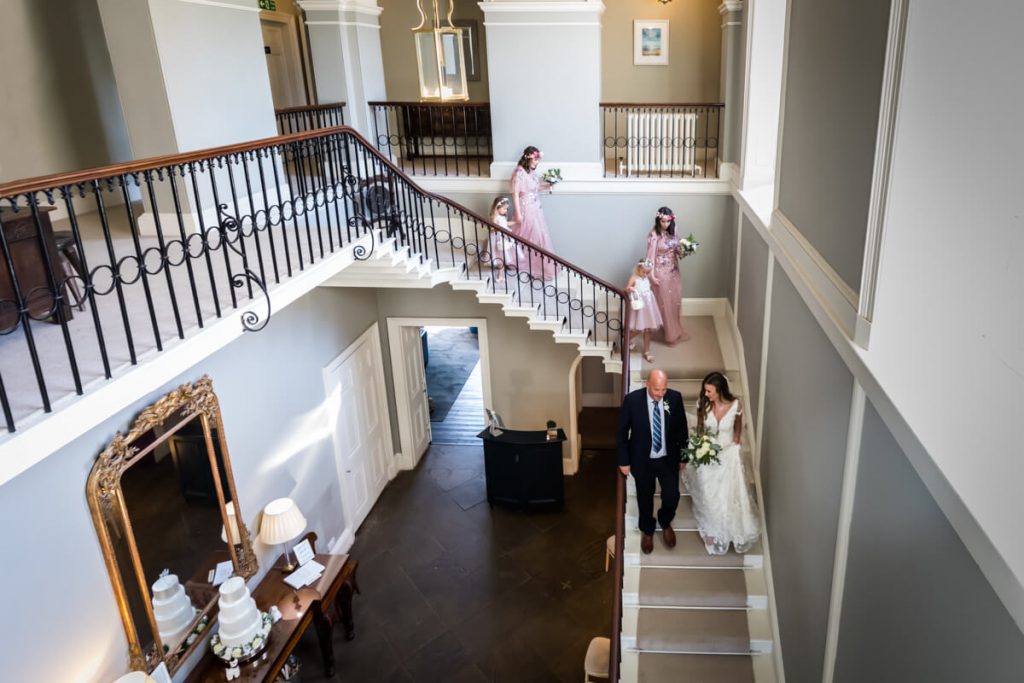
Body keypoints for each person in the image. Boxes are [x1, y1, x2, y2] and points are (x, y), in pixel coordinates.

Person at [683, 372, 761, 555]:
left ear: (719, 390)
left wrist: (736, 443)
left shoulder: (736, 404)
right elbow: (701, 430)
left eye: (709, 391)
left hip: (727, 452)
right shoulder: (703, 403)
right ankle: (712, 527)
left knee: (729, 491)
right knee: (708, 490)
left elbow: (737, 427)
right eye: (705, 390)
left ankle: (732, 526)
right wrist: (702, 447)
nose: (706, 394)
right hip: (708, 450)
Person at [616, 369, 688, 554]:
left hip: (667, 459)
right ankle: (647, 530)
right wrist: (623, 460)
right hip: (642, 460)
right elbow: (622, 432)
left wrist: (683, 456)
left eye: (664, 389)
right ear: (647, 384)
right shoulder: (632, 401)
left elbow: (682, 429)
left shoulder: (674, 398)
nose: (660, 394)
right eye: (657, 389)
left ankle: (665, 521)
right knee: (644, 498)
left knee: (672, 496)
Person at [645, 207, 690, 344]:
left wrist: (685, 251)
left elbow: (677, 250)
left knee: (674, 302)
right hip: (661, 273)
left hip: (674, 272)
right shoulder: (654, 235)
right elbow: (650, 257)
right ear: (658, 220)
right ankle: (671, 336)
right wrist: (651, 276)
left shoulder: (674, 230)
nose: (665, 225)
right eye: (663, 222)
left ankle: (672, 328)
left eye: (668, 222)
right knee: (665, 304)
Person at [511, 146, 556, 280]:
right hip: (525, 209)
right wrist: (518, 213)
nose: (537, 162)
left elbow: (534, 189)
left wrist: (547, 186)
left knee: (539, 237)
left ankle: (539, 268)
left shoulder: (530, 172)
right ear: (528, 157)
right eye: (536, 159)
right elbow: (515, 194)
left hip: (536, 209)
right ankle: (526, 266)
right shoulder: (519, 172)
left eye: (538, 160)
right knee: (529, 238)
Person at [626, 258, 663, 364]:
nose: (646, 274)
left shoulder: (646, 278)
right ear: (638, 269)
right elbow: (626, 288)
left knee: (648, 330)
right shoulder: (634, 278)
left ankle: (647, 351)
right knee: (638, 329)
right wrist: (631, 289)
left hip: (649, 306)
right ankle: (626, 338)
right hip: (639, 307)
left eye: (648, 272)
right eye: (644, 272)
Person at [487, 196, 517, 281]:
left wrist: (515, 222)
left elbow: (505, 223)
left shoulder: (502, 217)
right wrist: (500, 229)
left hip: (504, 238)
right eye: (504, 209)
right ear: (497, 207)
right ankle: (499, 276)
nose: (506, 211)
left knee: (503, 257)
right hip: (497, 238)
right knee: (500, 257)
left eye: (506, 209)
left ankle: (500, 275)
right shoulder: (495, 217)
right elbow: (493, 228)